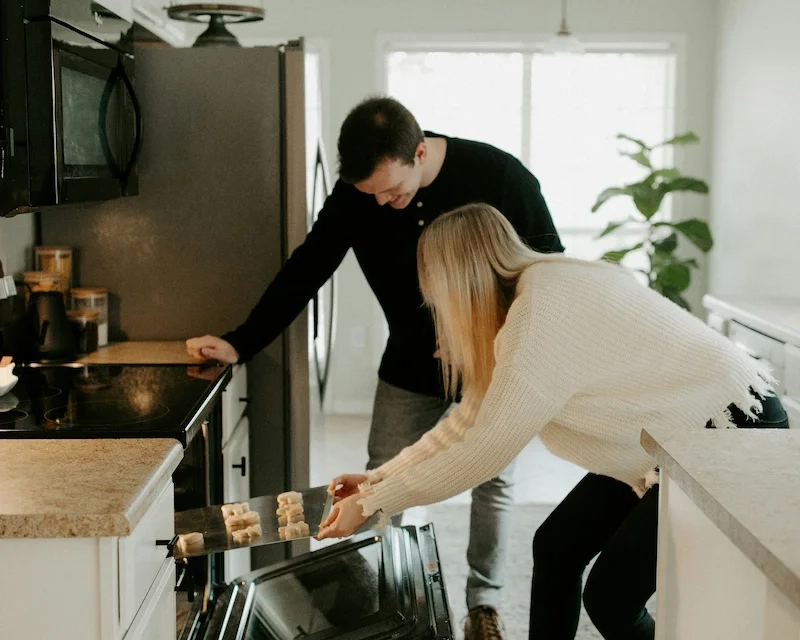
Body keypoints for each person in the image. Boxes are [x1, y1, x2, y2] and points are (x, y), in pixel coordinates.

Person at [317, 203, 790, 640]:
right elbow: (467, 422)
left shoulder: (540, 314)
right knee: (557, 546)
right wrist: (379, 479)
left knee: (609, 598)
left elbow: (483, 450)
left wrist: (377, 501)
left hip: (729, 428)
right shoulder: (533, 295)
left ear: (457, 282)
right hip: (671, 439)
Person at [186, 96, 564, 639]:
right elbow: (308, 267)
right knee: (384, 476)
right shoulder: (358, 195)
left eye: (393, 190)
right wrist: (240, 342)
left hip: (490, 359)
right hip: (409, 364)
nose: (385, 204)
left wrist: (499, 335)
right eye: (373, 195)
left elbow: (548, 271)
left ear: (420, 150)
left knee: (493, 478)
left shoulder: (499, 175)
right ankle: (393, 600)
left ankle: (484, 605)